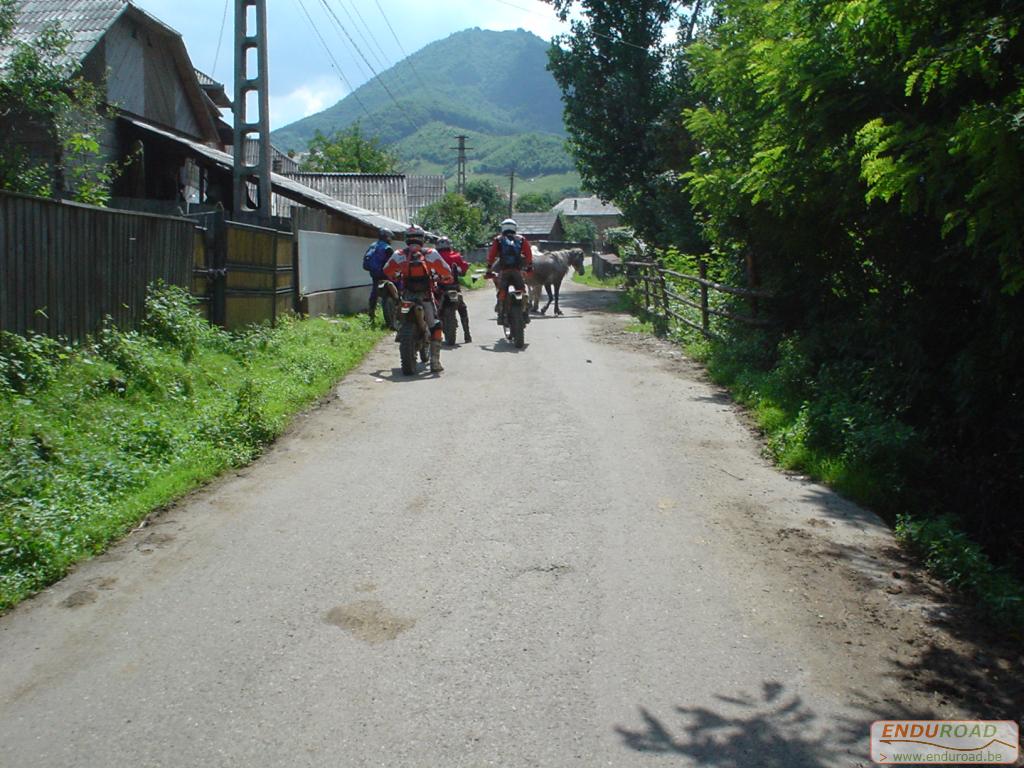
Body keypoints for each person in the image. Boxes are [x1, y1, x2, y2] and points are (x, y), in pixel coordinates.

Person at [383, 225, 454, 373]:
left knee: (401, 319)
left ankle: (400, 331)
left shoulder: (399, 254)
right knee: (435, 325)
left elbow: (387, 270)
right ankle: (435, 361)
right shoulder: (430, 253)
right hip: (425, 296)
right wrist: (444, 278)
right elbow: (446, 271)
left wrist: (397, 275)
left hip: (407, 296)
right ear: (422, 238)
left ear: (406, 239)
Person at [486, 218, 533, 324]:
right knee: (522, 290)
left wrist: (489, 269)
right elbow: (528, 255)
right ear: (514, 228)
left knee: (502, 290)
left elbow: (492, 256)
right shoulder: (521, 239)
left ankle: (500, 312)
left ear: (503, 228)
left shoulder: (498, 239)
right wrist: (529, 267)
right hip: (517, 271)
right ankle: (525, 313)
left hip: (504, 271)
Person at [434, 236, 472, 344]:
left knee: (434, 308)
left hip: (440, 288)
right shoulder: (456, 255)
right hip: (454, 287)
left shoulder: (435, 257)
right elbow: (464, 268)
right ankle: (467, 335)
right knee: (462, 309)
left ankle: (434, 335)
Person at [363, 228, 395, 324]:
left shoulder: (372, 245)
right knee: (398, 286)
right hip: (385, 274)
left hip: (374, 273)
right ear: (387, 237)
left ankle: (371, 313)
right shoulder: (387, 248)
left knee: (374, 292)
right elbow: (393, 263)